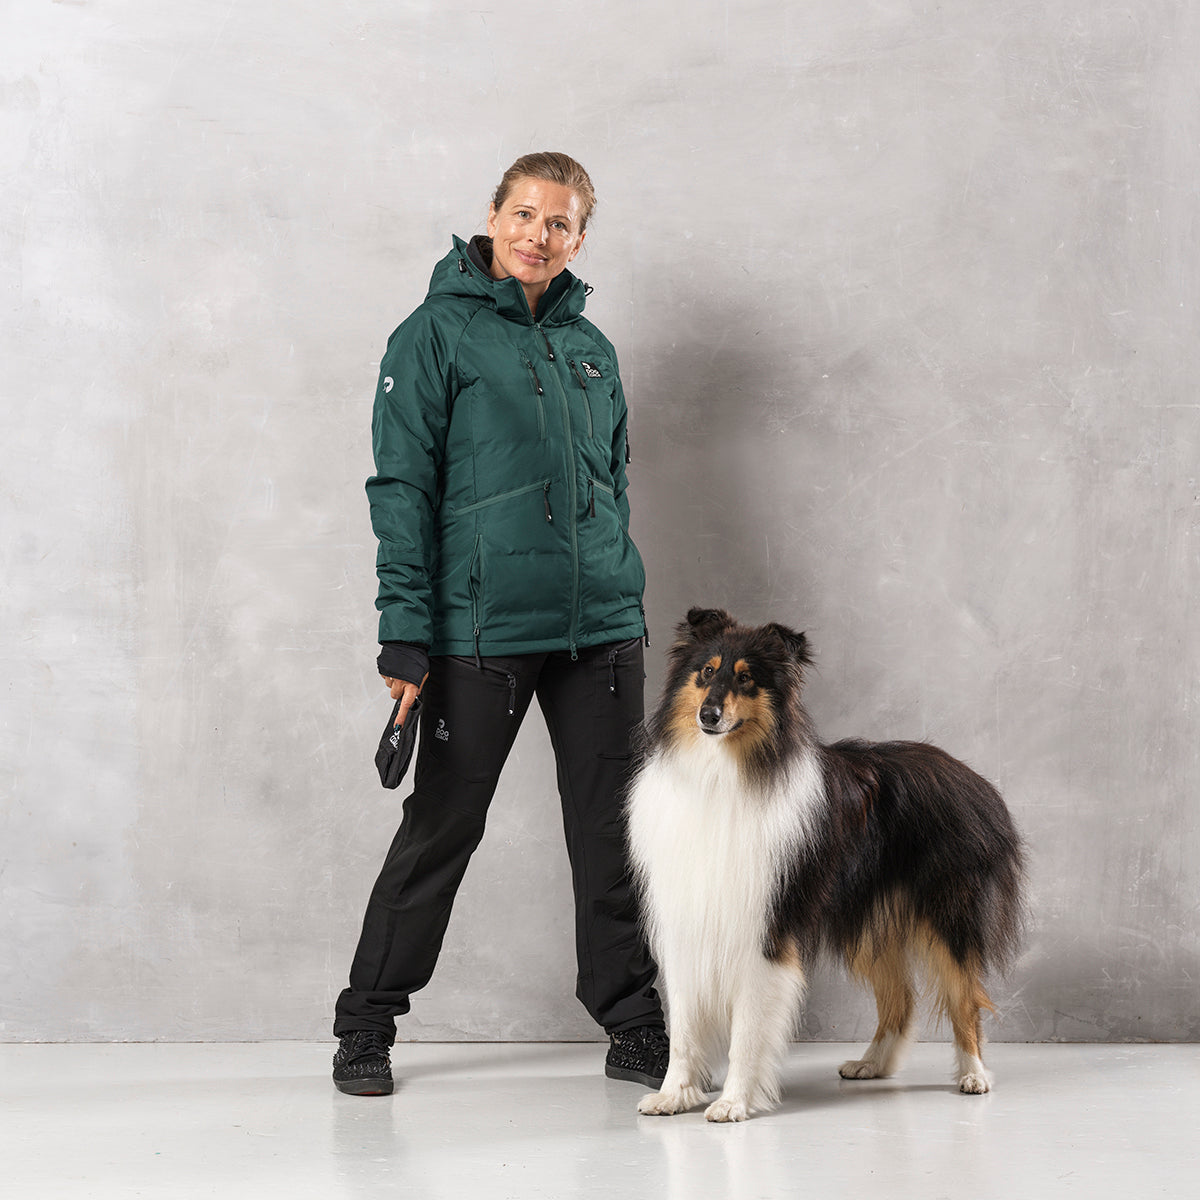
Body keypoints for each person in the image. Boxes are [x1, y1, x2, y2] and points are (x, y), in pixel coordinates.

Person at [333, 151, 667, 1095]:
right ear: (492, 216)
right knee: (442, 826)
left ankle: (634, 1019)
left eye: (559, 223)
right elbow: (401, 489)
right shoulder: (432, 336)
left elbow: (612, 480)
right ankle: (366, 1025)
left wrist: (618, 583)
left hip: (601, 631)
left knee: (615, 834)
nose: (537, 235)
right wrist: (406, 629)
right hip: (478, 634)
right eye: (524, 214)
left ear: (580, 238)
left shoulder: (591, 348)